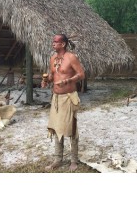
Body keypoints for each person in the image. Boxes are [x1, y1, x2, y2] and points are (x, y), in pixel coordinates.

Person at [41, 34, 85, 172]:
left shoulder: (71, 57)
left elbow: (81, 74)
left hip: (68, 97)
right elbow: (53, 75)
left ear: (63, 44)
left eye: (56, 42)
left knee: (72, 129)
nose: (53, 44)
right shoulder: (53, 58)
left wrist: (67, 81)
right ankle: (58, 159)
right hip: (56, 98)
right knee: (56, 128)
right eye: (53, 41)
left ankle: (73, 160)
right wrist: (46, 80)